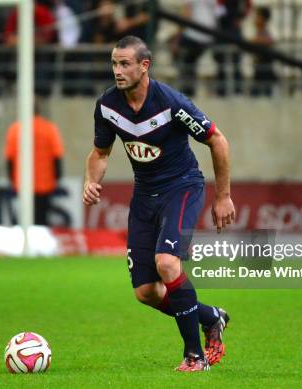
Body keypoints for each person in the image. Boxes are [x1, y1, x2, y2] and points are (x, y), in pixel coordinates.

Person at [83, 36, 235, 372]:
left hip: (181, 188)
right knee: (146, 292)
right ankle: (211, 317)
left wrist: (223, 196)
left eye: (125, 64)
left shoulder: (171, 103)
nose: (118, 71)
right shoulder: (108, 105)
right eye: (114, 63)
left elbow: (217, 140)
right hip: (145, 194)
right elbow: (100, 153)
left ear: (144, 66)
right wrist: (91, 180)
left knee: (167, 263)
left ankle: (195, 357)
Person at [4, 100, 64, 226]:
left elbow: (9, 159)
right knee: (42, 221)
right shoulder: (49, 129)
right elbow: (57, 157)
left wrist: (12, 180)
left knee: (25, 221)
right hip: (45, 185)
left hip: (23, 185)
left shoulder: (15, 129)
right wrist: (57, 178)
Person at [251, 6, 276, 96]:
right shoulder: (259, 33)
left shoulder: (264, 34)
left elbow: (270, 41)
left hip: (265, 74)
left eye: (257, 17)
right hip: (259, 73)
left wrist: (255, 41)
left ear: (263, 19)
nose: (255, 19)